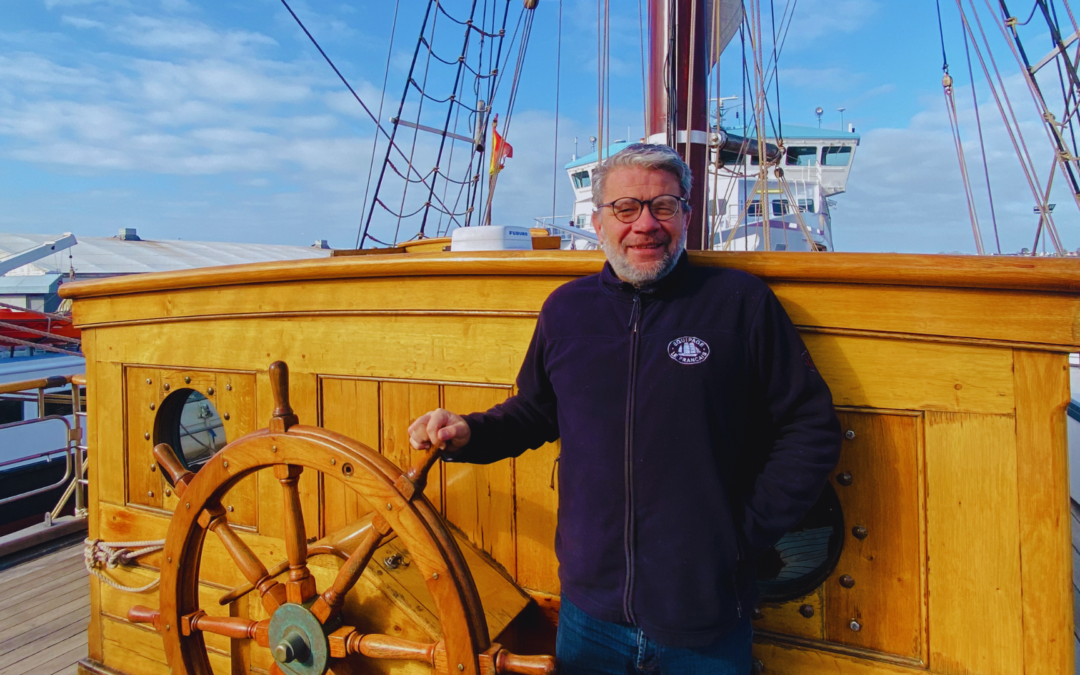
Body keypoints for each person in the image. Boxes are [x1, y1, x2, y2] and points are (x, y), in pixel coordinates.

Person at [408, 143, 841, 674]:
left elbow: (811, 427)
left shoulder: (739, 304)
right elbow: (536, 412)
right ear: (598, 220)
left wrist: (738, 534)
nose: (646, 225)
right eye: (626, 208)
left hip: (704, 616)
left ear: (686, 215)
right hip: (591, 615)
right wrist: (469, 432)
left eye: (663, 206)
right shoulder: (567, 310)